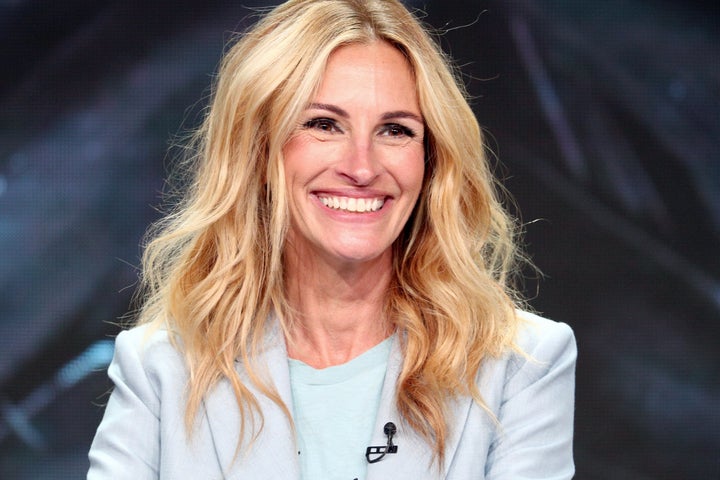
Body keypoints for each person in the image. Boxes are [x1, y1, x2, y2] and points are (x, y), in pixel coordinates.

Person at [87, 0, 576, 478]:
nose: (362, 167)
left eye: (395, 130)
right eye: (323, 124)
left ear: (432, 163)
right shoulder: (160, 369)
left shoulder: (521, 365)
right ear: (258, 152)